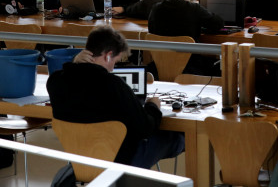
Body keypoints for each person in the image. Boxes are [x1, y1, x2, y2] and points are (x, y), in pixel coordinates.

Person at [46, 26, 184, 168]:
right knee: (176, 138)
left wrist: (75, 63)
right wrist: (153, 106)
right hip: (121, 162)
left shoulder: (55, 82)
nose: (113, 69)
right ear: (108, 55)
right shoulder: (113, 85)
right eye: (115, 62)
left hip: (82, 162)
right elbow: (145, 129)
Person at [148, 0, 224, 42]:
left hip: (160, 56)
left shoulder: (156, 9)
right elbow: (218, 24)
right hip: (190, 56)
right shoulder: (194, 9)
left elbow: (151, 30)